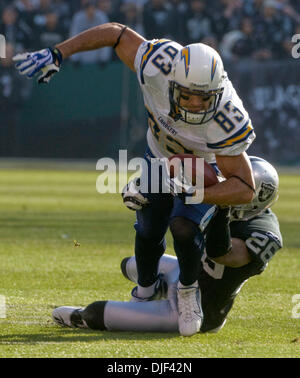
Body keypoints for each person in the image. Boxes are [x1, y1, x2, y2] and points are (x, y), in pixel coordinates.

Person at [13, 22, 256, 336]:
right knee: (148, 225)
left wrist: (197, 193)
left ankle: (187, 291)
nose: (195, 104)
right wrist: (60, 52)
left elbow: (245, 188)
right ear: (171, 83)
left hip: (201, 169)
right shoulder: (158, 64)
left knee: (183, 227)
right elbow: (116, 33)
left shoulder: (227, 119)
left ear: (219, 91)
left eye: (204, 98)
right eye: (188, 95)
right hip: (158, 157)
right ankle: (145, 288)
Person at [52, 156, 283, 334]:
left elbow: (224, 255)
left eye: (237, 187)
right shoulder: (219, 197)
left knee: (95, 313)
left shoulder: (264, 232)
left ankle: (84, 317)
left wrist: (219, 209)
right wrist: (145, 188)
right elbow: (175, 186)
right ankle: (161, 288)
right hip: (186, 274)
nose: (227, 188)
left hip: (201, 308)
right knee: (130, 265)